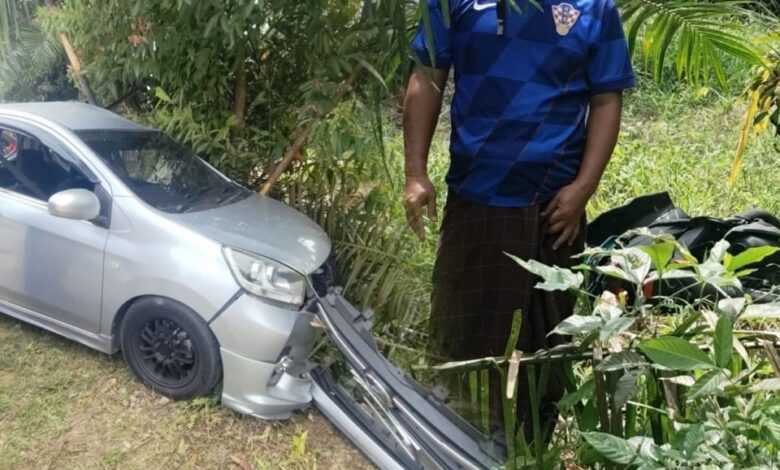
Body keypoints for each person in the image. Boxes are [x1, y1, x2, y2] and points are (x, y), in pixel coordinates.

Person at [402, 0, 634, 433]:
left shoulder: (595, 6)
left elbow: (606, 98)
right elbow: (427, 75)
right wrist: (415, 172)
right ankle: (449, 437)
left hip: (555, 206)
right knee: (459, 337)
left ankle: (533, 443)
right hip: (476, 194)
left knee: (548, 344)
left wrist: (583, 188)